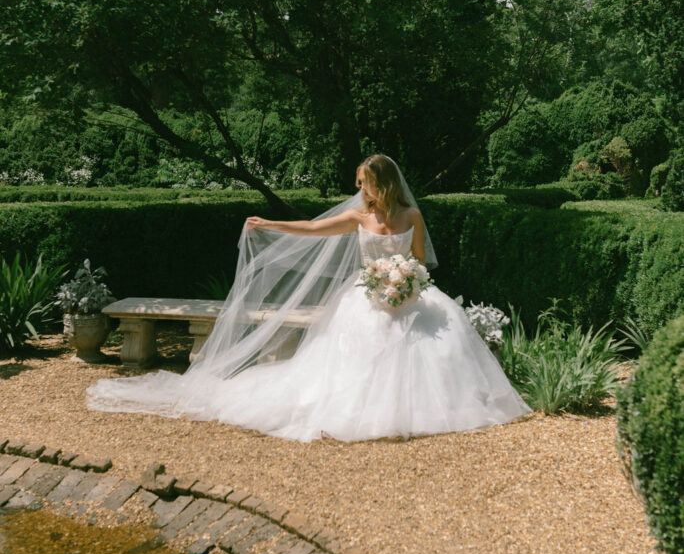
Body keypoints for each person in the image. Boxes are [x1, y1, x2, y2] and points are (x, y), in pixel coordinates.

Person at [87, 155, 531, 440]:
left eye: (366, 182)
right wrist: (270, 225)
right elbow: (314, 230)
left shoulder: (412, 214)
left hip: (409, 297)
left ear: (383, 183)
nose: (361, 189)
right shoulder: (357, 215)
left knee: (438, 350)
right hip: (366, 299)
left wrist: (408, 283)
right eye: (359, 183)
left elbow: (420, 261)